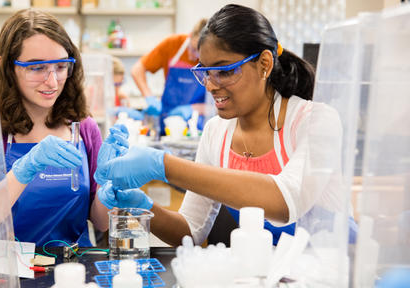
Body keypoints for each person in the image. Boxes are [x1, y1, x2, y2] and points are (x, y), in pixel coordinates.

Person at [96, 4, 355, 247]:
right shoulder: (216, 133)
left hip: (326, 270)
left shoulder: (315, 121)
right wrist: (142, 205)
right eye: (206, 72)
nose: (210, 84)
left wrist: (162, 165)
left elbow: (285, 200)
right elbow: (191, 230)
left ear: (264, 63)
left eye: (225, 71)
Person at [0, 9, 110, 247]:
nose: (52, 81)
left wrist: (113, 187)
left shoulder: (84, 127)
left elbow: (101, 222)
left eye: (60, 66)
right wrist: (24, 170)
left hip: (74, 271)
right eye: (36, 68)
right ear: (6, 66)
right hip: (10, 274)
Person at [131, 18, 207, 134]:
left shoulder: (212, 58)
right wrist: (149, 97)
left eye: (199, 53)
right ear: (190, 36)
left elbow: (216, 105)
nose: (193, 56)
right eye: (192, 49)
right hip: (166, 120)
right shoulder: (172, 45)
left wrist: (193, 109)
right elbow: (137, 69)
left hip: (197, 126)